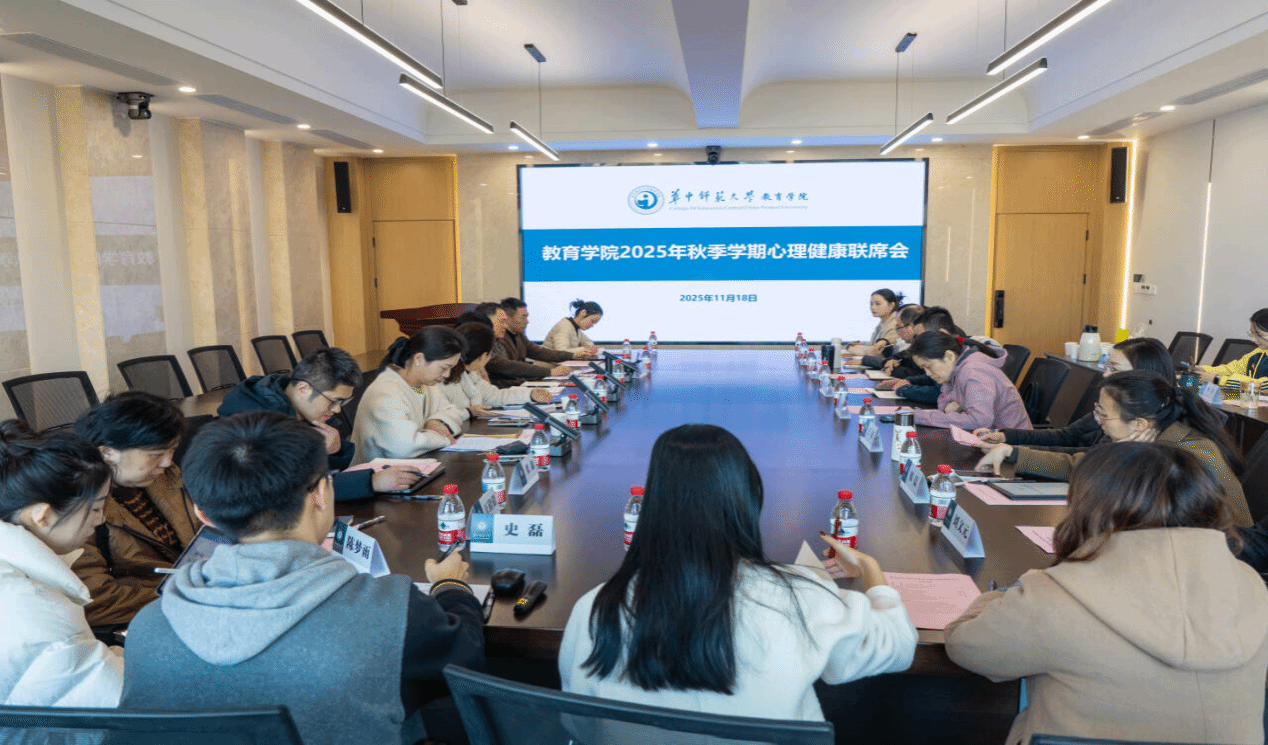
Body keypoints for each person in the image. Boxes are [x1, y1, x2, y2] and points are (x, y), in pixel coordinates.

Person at [121, 412, 484, 745]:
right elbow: (464, 661)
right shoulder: (389, 609)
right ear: (322, 493)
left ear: (204, 515)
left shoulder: (147, 629)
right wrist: (451, 586)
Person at [559, 424, 917, 721]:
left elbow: (578, 722)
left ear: (654, 505)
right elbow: (899, 646)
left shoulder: (595, 610)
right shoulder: (802, 597)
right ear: (749, 500)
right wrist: (869, 568)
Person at [945, 443, 1268, 745]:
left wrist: (1015, 589)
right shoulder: (1251, 584)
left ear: (1091, 505)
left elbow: (966, 645)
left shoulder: (1057, 594)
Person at [976, 370, 1252, 526]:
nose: (1098, 421)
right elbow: (1080, 463)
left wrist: (1123, 457)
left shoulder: (1177, 454)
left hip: (1222, 556)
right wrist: (1013, 452)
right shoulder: (1154, 435)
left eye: (1103, 414)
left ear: (1139, 423)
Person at [0, 420, 121, 707]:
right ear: (42, 516)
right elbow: (117, 702)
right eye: (95, 507)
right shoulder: (44, 618)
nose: (101, 519)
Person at [71, 392, 200, 628]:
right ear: (106, 453)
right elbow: (96, 600)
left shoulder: (164, 477)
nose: (167, 462)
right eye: (156, 454)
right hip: (145, 620)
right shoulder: (75, 508)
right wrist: (188, 593)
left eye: (172, 450)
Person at [219, 346, 420, 496]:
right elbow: (292, 488)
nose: (338, 410)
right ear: (303, 389)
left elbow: (323, 472)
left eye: (343, 402)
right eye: (334, 401)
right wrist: (372, 482)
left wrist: (335, 450)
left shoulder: (305, 410)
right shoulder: (255, 420)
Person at [972, 337, 1174, 453]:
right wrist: (1007, 437)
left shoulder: (1164, 430)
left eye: (1114, 369)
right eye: (1106, 366)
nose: (1105, 375)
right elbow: (1066, 437)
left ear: (1143, 375)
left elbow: (1083, 459)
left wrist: (1013, 452)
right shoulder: (1112, 405)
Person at [352, 326, 468, 463]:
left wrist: (436, 421)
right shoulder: (386, 391)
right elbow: (404, 447)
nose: (447, 375)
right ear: (419, 358)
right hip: (377, 473)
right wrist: (442, 437)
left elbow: (452, 410)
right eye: (444, 367)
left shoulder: (424, 385)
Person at [876, 306, 1007, 404]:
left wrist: (904, 389)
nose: (917, 342)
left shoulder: (968, 355)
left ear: (942, 333)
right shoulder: (959, 343)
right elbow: (934, 380)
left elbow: (940, 393)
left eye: (922, 337)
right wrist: (909, 381)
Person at [909, 331, 1031, 430]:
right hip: (989, 438)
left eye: (928, 366)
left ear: (949, 356)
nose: (927, 373)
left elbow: (980, 421)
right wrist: (948, 409)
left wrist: (919, 416)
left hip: (1012, 446)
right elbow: (943, 404)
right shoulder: (954, 371)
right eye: (923, 368)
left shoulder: (974, 371)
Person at [441, 322, 552, 421]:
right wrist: (468, 412)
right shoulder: (442, 378)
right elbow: (439, 415)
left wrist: (530, 394)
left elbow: (495, 396)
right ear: (484, 356)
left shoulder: (469, 373)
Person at [486, 297, 576, 388]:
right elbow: (507, 366)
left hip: (518, 385)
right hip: (507, 388)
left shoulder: (519, 335)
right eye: (523, 317)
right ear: (508, 318)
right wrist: (549, 372)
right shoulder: (494, 340)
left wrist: (572, 355)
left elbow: (541, 352)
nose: (527, 322)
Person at [1199, 307, 1268, 386]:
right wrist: (1203, 369)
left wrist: (1217, 380)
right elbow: (1233, 369)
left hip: (1254, 393)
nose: (1254, 340)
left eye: (1259, 335)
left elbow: (1263, 385)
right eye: (1252, 334)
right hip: (1246, 394)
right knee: (1192, 387)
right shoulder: (1259, 352)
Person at [861, 304, 921, 370]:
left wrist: (865, 360)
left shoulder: (921, 348)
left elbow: (905, 370)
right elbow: (898, 354)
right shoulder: (911, 344)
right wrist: (885, 344)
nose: (873, 307)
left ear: (911, 327)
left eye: (898, 327)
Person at [845, 289, 903, 357]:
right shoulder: (883, 322)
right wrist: (861, 344)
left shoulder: (896, 323)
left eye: (878, 304)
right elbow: (874, 344)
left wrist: (851, 348)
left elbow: (875, 351)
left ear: (891, 305)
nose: (873, 307)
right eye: (871, 304)